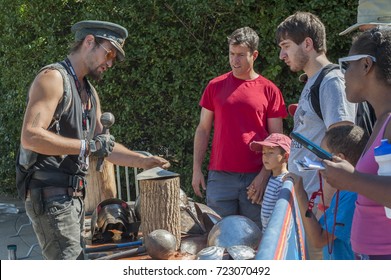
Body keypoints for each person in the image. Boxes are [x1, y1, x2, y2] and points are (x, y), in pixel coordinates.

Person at [19, 20, 170, 260]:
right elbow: (30, 136)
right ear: (89, 41)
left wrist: (144, 162)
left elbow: (103, 146)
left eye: (114, 59)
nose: (110, 63)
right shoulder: (53, 79)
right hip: (51, 196)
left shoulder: (89, 92)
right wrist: (87, 146)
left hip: (74, 198)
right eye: (109, 53)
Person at [275, 12, 357, 259]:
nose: (281, 55)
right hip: (311, 207)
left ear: (308, 44)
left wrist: (325, 213)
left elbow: (342, 150)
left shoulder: (331, 82)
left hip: (323, 217)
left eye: (285, 46)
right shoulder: (314, 81)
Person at [192, 27, 287, 228]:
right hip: (220, 177)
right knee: (218, 239)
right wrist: (196, 169)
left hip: (256, 178)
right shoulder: (214, 86)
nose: (235, 61)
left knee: (255, 240)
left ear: (254, 55)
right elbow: (202, 129)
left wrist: (264, 176)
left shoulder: (270, 90)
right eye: (232, 54)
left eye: (241, 55)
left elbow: (277, 139)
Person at [320, 28, 391, 260]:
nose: (343, 75)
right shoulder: (381, 121)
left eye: (346, 65)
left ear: (365, 65)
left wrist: (352, 179)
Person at [285, 125, 369, 260]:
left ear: (339, 159)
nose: (318, 162)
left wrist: (300, 193)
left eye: (322, 156)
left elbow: (318, 240)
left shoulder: (351, 197)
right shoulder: (345, 191)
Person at [248, 133, 291, 233]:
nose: (265, 157)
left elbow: (281, 212)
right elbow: (273, 205)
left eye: (270, 152)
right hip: (267, 233)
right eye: (263, 153)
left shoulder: (284, 181)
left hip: (276, 236)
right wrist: (259, 201)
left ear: (286, 157)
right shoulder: (273, 179)